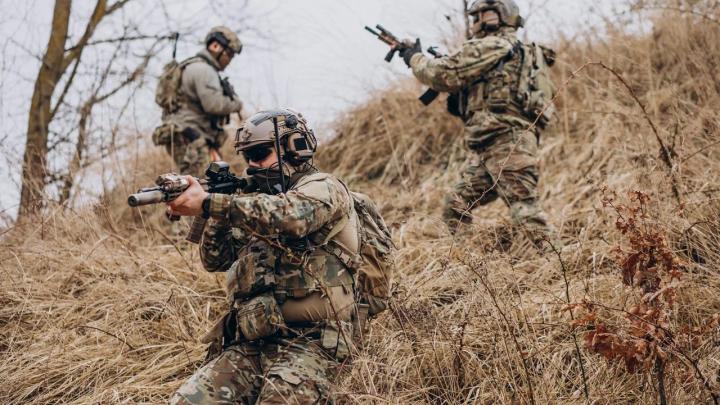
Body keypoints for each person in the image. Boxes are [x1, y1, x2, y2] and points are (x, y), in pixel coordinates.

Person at [166, 109, 360, 404]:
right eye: (248, 157)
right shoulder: (252, 203)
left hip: (314, 343)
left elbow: (292, 216)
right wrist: (220, 204)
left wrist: (213, 204)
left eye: (260, 153)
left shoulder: (324, 187)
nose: (254, 165)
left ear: (295, 147)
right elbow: (215, 259)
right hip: (253, 345)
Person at [398, 0, 558, 250]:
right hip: (491, 145)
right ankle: (462, 264)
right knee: (456, 204)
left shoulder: (495, 45)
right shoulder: (510, 52)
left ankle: (558, 267)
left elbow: (443, 74)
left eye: (481, 16)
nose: (475, 23)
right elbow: (474, 100)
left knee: (525, 211)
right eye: (474, 17)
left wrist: (414, 58)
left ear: (499, 16)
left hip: (507, 142)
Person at [153, 26, 244, 177]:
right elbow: (213, 104)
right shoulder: (204, 70)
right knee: (201, 186)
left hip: (188, 134)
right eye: (229, 54)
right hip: (191, 136)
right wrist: (236, 103)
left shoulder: (193, 67)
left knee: (208, 183)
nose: (229, 60)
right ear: (215, 46)